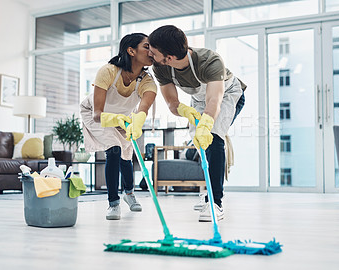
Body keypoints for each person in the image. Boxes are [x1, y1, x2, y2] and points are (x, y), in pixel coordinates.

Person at [148, 25, 246, 222]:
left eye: (153, 51)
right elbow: (172, 102)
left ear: (169, 58)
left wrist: (206, 123)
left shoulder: (210, 60)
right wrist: (185, 111)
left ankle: (215, 202)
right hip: (199, 101)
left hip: (227, 95)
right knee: (200, 143)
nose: (149, 53)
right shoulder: (159, 67)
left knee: (213, 137)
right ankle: (207, 191)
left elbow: (214, 101)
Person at [80, 33, 157, 220]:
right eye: (146, 46)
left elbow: (144, 107)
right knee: (114, 149)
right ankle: (113, 203)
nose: (152, 51)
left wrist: (138, 120)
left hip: (125, 118)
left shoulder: (147, 80)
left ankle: (129, 193)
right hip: (95, 115)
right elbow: (97, 113)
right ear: (131, 50)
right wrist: (116, 120)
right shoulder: (108, 71)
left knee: (126, 155)